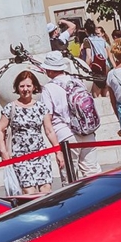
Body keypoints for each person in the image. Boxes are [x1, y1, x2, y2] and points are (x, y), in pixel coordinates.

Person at [38, 50, 100, 179]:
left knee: (70, 178)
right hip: (86, 131)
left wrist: (55, 148)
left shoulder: (48, 89)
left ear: (49, 70)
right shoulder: (76, 81)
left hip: (65, 135)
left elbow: (47, 121)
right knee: (92, 172)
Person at [0, 70, 58, 196]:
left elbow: (49, 130)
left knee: (46, 189)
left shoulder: (41, 107)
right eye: (22, 86)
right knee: (29, 192)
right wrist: (4, 152)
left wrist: (58, 150)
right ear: (17, 88)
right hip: (21, 155)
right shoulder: (10, 107)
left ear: (34, 87)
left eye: (28, 86)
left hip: (41, 153)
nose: (25, 89)